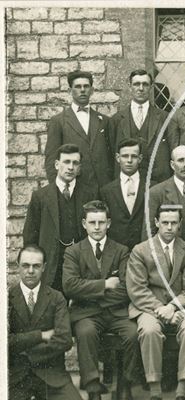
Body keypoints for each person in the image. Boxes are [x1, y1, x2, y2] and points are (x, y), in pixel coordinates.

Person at [62, 200, 139, 400]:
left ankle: (125, 386)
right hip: (86, 315)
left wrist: (89, 291)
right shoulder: (73, 252)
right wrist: (105, 285)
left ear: (109, 223)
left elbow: (126, 289)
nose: (97, 227)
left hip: (116, 313)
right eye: (92, 222)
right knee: (85, 334)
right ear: (84, 224)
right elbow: (69, 286)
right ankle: (94, 396)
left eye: (101, 222)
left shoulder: (122, 250)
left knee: (133, 333)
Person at [127, 206, 185, 400]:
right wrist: (161, 309)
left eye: (174, 223)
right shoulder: (140, 250)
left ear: (180, 224)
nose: (169, 227)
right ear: (156, 222)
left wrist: (173, 307)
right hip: (149, 307)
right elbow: (137, 289)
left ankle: (181, 394)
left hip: (178, 306)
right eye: (165, 222)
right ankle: (155, 394)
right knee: (149, 330)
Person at [9, 245, 84, 400]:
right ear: (18, 266)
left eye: (36, 266)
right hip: (20, 375)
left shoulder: (57, 298)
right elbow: (5, 341)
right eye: (25, 265)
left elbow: (65, 339)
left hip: (51, 373)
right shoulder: (8, 297)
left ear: (44, 267)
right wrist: (40, 335)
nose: (30, 271)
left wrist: (24, 348)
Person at [23, 144, 98, 292]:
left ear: (79, 168)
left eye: (75, 163)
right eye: (66, 162)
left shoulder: (90, 195)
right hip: (52, 266)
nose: (70, 167)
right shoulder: (41, 197)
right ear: (57, 164)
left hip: (81, 265)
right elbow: (30, 236)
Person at [44, 70, 113, 190]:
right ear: (70, 91)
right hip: (74, 187)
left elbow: (112, 157)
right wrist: (59, 189)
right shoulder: (59, 121)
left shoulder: (104, 121)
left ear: (91, 91)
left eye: (86, 86)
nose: (82, 90)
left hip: (103, 187)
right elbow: (51, 160)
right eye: (78, 86)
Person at [108, 69, 173, 182]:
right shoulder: (117, 120)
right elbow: (113, 151)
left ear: (151, 87)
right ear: (130, 86)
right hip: (127, 181)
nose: (141, 88)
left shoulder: (165, 118)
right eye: (137, 84)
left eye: (145, 84)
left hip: (158, 181)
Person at [99, 138, 154, 249]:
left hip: (145, 250)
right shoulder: (106, 191)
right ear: (118, 158)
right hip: (116, 251)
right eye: (125, 156)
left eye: (133, 156)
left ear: (140, 159)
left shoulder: (153, 187)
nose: (129, 160)